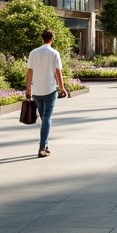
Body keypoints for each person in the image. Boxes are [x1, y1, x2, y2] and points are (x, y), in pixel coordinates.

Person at [26, 29, 68, 158]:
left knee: (44, 118)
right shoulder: (54, 53)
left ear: (42, 38)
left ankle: (45, 144)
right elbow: (58, 72)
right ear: (52, 38)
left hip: (37, 90)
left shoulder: (33, 53)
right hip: (50, 90)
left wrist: (28, 89)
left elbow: (29, 72)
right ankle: (42, 147)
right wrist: (62, 88)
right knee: (46, 118)